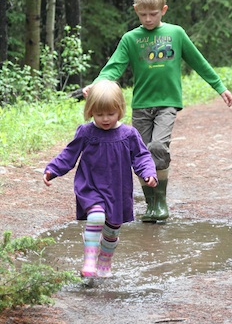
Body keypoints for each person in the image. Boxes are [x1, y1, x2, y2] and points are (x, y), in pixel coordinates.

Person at [83, 0, 232, 223]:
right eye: (143, 14)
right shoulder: (131, 39)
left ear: (164, 9)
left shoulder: (176, 33)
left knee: (158, 147)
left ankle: (160, 201)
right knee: (140, 153)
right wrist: (97, 85)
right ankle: (151, 203)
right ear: (136, 11)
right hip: (142, 104)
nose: (148, 19)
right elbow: (114, 67)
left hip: (167, 103)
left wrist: (219, 86)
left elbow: (198, 61)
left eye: (153, 14)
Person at [43, 80, 157, 278]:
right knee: (96, 217)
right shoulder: (86, 132)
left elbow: (141, 156)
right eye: (99, 114)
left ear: (120, 109)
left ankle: (104, 262)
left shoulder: (129, 134)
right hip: (91, 185)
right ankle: (89, 262)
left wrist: (148, 172)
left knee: (112, 230)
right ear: (90, 111)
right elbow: (69, 154)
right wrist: (53, 169)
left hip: (117, 189)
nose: (105, 119)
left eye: (110, 114)